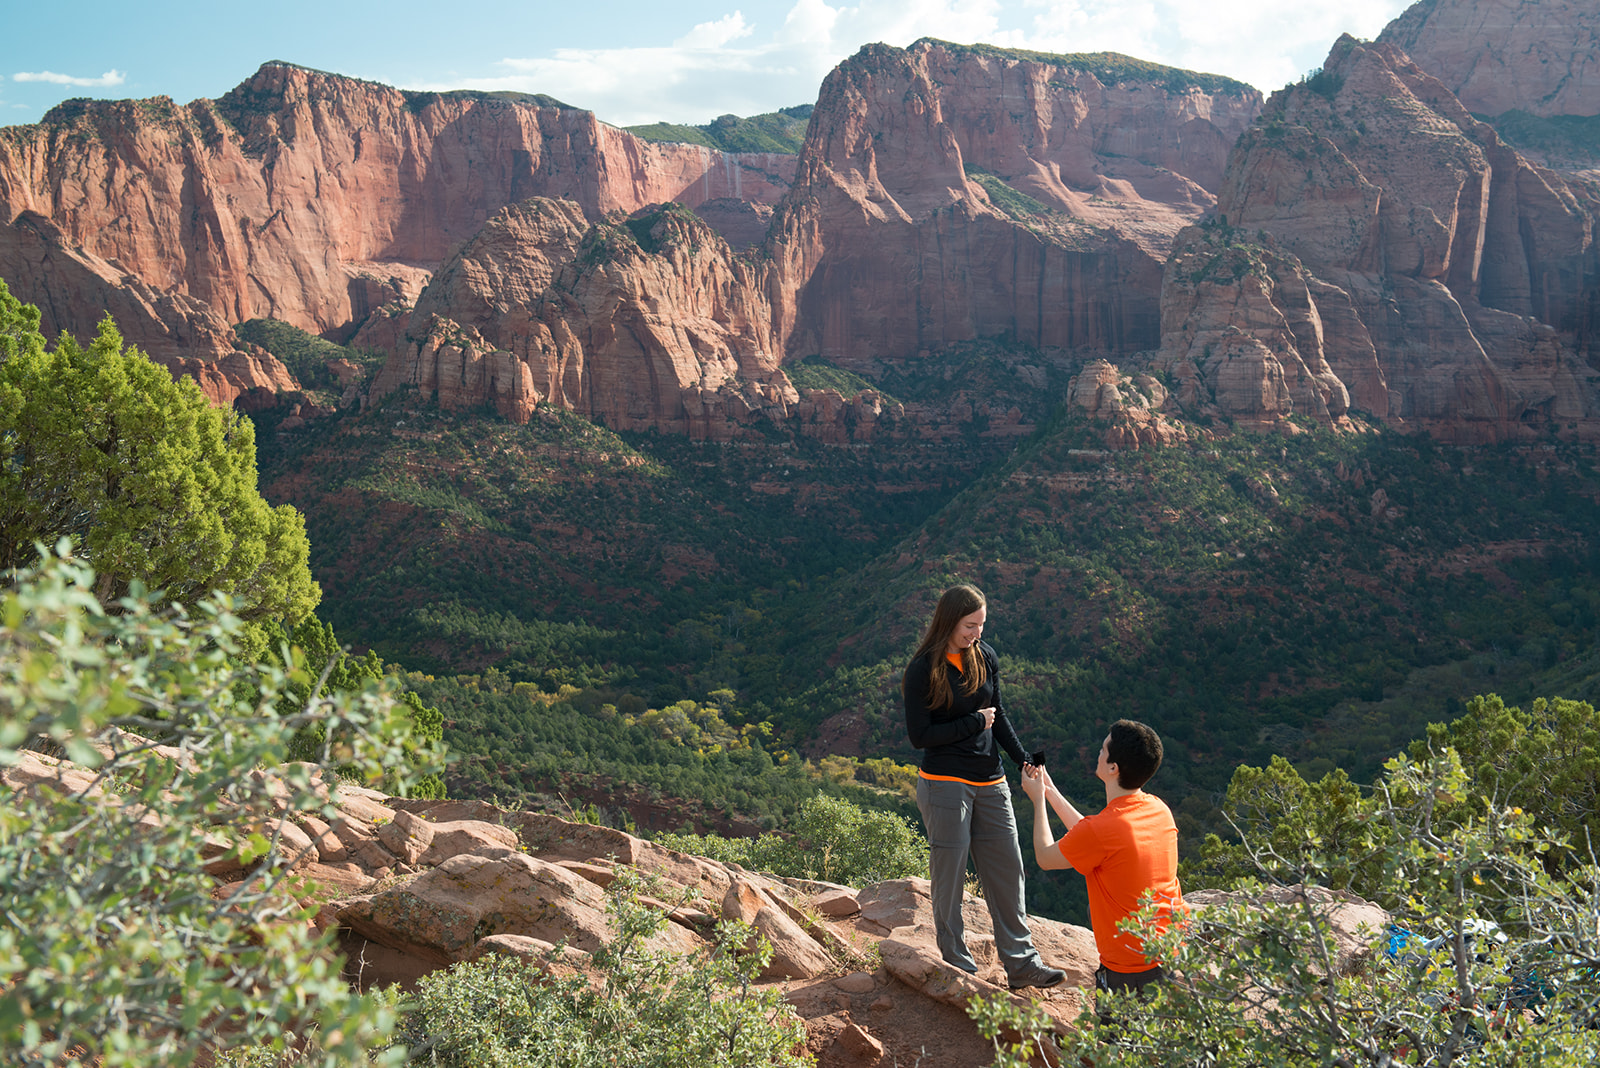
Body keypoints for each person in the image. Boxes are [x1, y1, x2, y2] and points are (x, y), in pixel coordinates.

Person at [903, 584, 1065, 991]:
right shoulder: (923, 668)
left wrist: (1022, 757)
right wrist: (975, 722)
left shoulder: (985, 656)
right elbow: (920, 736)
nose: (976, 633)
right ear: (949, 621)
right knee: (950, 875)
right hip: (944, 783)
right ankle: (958, 965)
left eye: (981, 625)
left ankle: (1022, 964)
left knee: (1008, 871)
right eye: (970, 626)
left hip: (991, 780)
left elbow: (1000, 714)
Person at [1019, 719, 1183, 1002]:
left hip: (1128, 971)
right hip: (1168, 955)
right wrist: (1050, 791)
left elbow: (1046, 856)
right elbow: (1093, 837)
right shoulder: (1159, 810)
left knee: (1116, 1045)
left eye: (1103, 748)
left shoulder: (1102, 830)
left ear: (1113, 768)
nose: (1098, 751)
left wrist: (1037, 801)